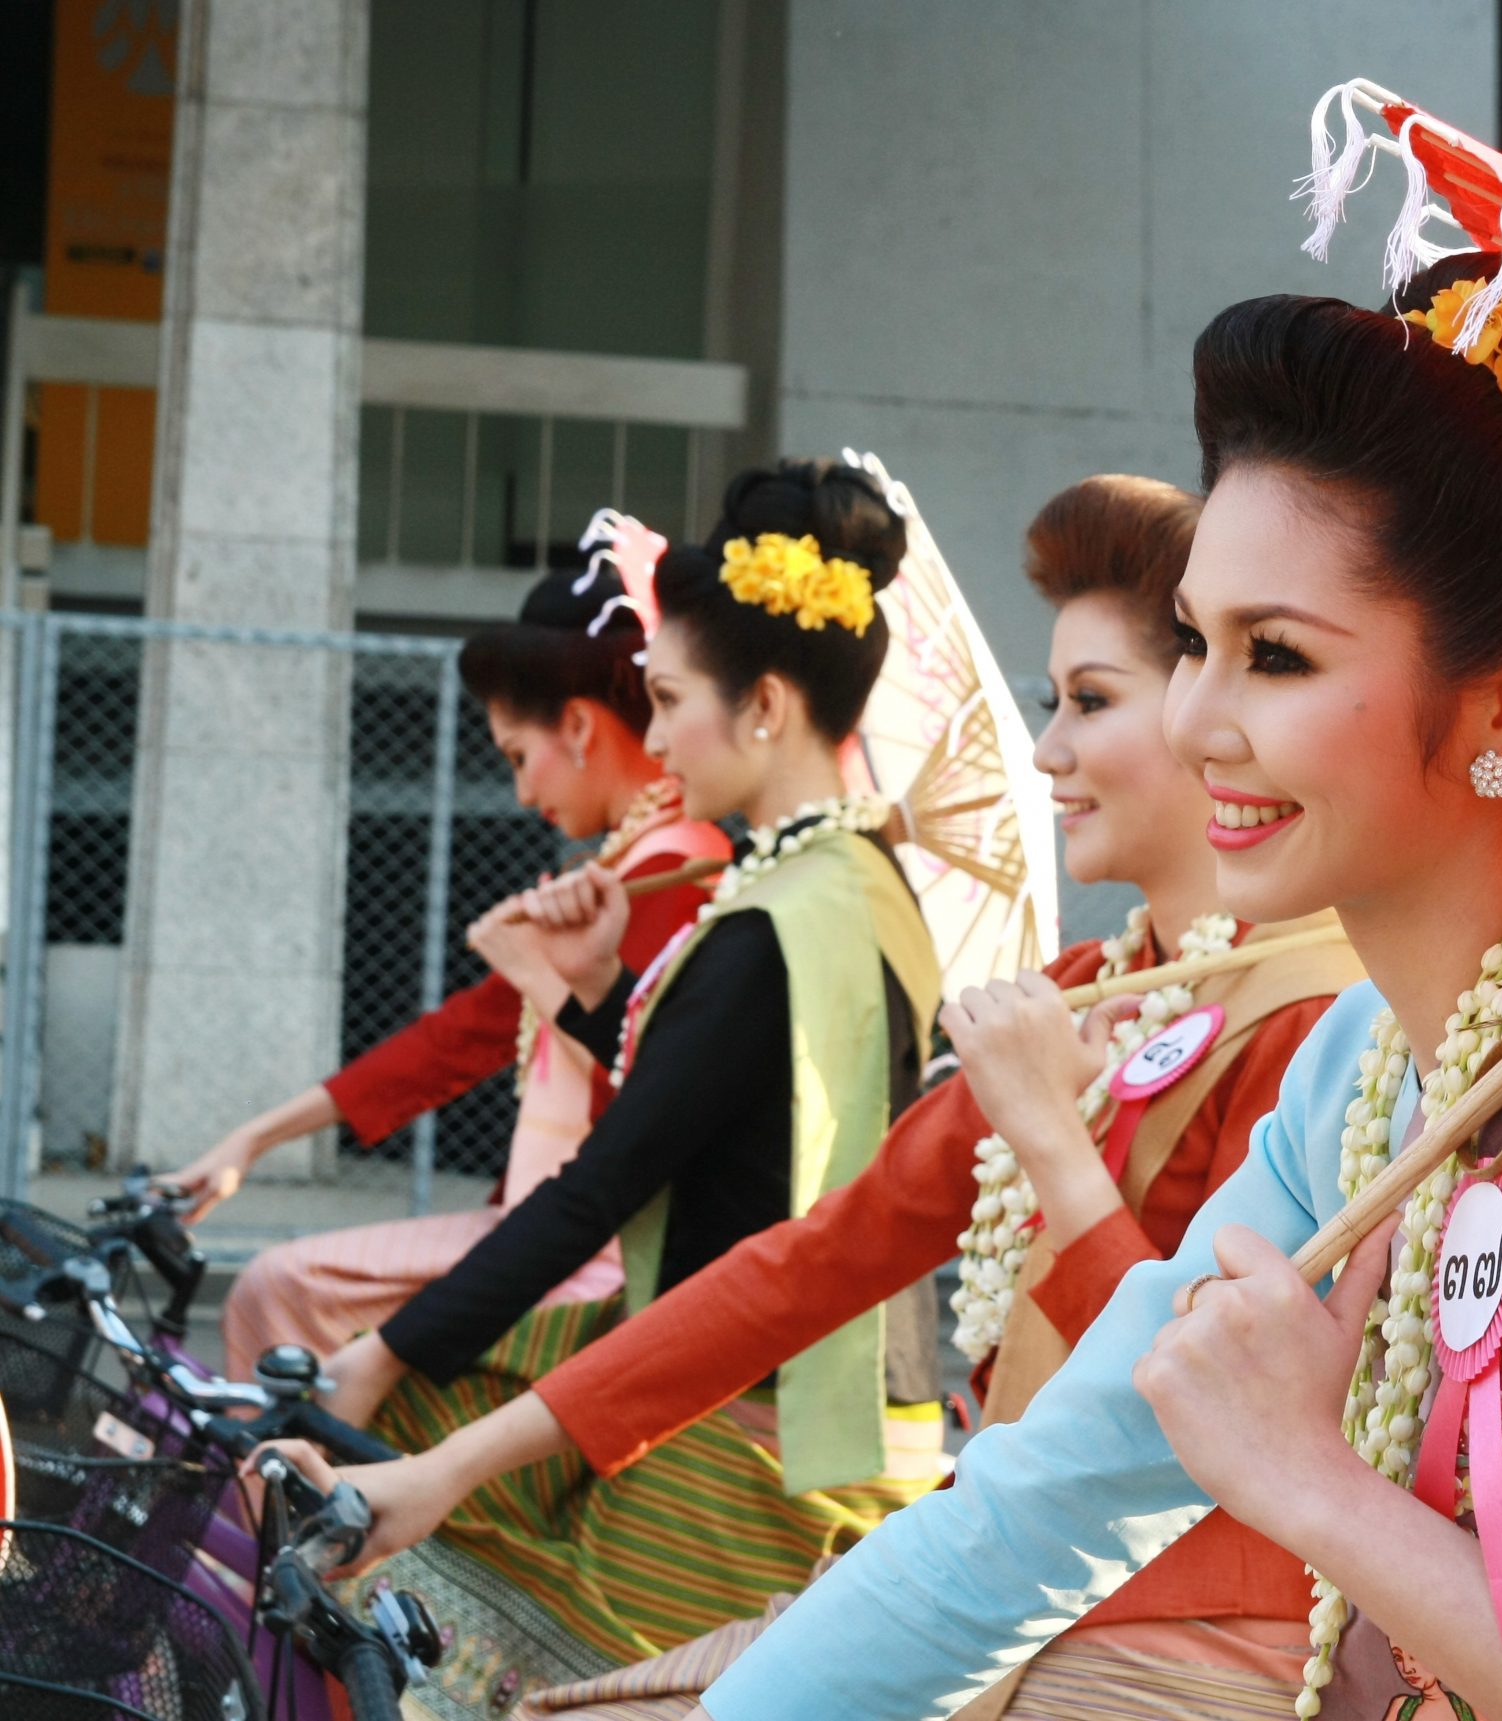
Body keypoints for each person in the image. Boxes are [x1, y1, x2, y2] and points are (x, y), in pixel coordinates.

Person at [690, 267, 1502, 1717]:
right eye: (1194, 643)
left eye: (1277, 656)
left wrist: (1318, 1489)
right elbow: (1035, 1510)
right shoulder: (1372, 1064)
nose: (1196, 721)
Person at [295, 472, 1365, 1720]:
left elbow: (1209, 1411)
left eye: (1091, 701)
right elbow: (811, 1258)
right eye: (1047, 701)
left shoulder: (1317, 1018)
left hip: (1171, 1627)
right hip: (997, 1562)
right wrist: (445, 1468)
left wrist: (1054, 1150)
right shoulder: (1081, 988)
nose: (1047, 749)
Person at [278, 459, 946, 1720]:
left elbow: (608, 1181)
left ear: (762, 706)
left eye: (671, 697)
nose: (659, 733)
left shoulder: (778, 919)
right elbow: (716, 1124)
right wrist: (583, 989)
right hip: (776, 1373)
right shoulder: (841, 886)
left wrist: (375, 1357)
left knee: (420, 1566)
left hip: (770, 1431)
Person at [174, 559, 727, 1382]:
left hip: (598, 1247)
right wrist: (255, 1137)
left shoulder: (680, 870)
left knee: (276, 1292)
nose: (515, 791)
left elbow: (650, 1097)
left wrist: (540, 974)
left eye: (515, 753)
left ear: (578, 726)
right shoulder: (635, 867)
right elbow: (458, 1036)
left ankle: (299, 1510)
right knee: (285, 1301)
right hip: (562, 1225)